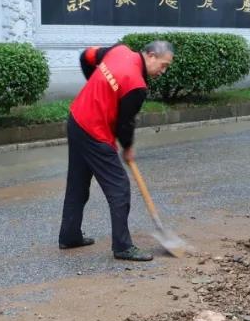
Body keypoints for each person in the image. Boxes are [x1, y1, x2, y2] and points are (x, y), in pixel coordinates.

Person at [59, 40, 174, 261]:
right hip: (94, 131)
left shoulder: (118, 50)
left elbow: (86, 56)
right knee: (119, 188)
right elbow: (124, 124)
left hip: (76, 118)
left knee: (78, 183)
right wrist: (128, 148)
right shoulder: (136, 86)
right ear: (150, 55)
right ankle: (122, 246)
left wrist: (96, 87)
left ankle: (70, 235)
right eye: (163, 65)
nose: (163, 71)